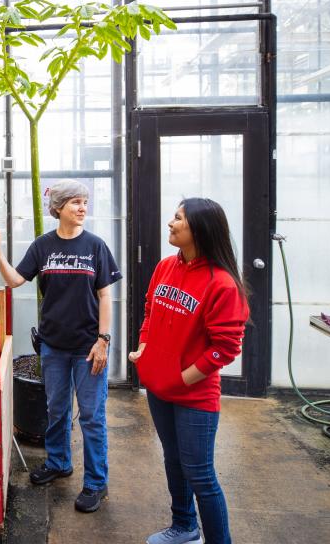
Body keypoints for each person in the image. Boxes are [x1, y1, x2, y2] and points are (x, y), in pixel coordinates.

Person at [0, 179, 121, 513]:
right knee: (56, 410)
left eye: (85, 202)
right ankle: (59, 462)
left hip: (89, 347)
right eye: (75, 202)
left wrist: (104, 340)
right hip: (53, 346)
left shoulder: (95, 246)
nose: (83, 208)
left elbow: (104, 296)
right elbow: (15, 281)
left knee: (91, 416)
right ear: (58, 208)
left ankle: (96, 483)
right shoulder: (43, 246)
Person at [130, 198, 249, 544]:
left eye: (178, 218)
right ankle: (184, 527)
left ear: (199, 228)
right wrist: (145, 346)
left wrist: (182, 379)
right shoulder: (166, 267)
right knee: (174, 461)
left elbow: (225, 348)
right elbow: (151, 309)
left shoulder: (222, 283)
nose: (171, 223)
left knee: (200, 474)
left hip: (194, 397)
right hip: (158, 388)